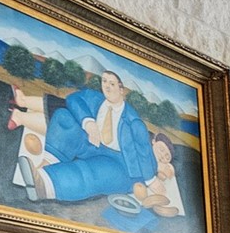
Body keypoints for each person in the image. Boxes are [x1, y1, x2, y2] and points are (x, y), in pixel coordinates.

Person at [19, 69, 156, 202]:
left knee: (92, 172)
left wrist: (151, 180)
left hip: (120, 162)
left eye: (112, 84)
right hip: (94, 146)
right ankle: (47, 163)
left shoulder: (133, 121)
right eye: (104, 82)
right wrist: (88, 122)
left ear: (121, 90)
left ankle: (44, 184)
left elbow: (144, 151)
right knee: (63, 117)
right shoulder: (96, 98)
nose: (107, 87)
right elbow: (73, 99)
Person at [131, 133, 186, 218]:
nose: (161, 155)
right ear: (154, 141)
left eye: (166, 157)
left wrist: (171, 168)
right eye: (162, 149)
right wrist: (156, 166)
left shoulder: (170, 160)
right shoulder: (142, 141)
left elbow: (178, 163)